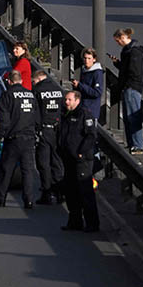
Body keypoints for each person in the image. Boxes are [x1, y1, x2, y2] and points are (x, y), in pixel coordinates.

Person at [0, 79, 40, 209]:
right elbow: (37, 117)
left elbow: (3, 119)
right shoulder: (30, 95)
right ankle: (29, 200)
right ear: (21, 81)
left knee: (6, 170)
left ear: (9, 81)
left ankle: (0, 197)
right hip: (29, 138)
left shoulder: (7, 95)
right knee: (28, 171)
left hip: (13, 138)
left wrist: (0, 136)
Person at [58, 89, 99, 231]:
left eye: (69, 100)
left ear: (77, 100)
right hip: (68, 158)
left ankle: (92, 224)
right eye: (66, 99)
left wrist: (81, 152)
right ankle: (75, 221)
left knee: (85, 191)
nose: (66, 102)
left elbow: (90, 136)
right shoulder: (65, 114)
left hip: (82, 161)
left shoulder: (84, 114)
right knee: (71, 191)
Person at [109, 28, 143, 155]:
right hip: (129, 87)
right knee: (128, 117)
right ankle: (133, 144)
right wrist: (118, 63)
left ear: (123, 37)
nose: (118, 44)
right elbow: (126, 68)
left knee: (133, 117)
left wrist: (127, 84)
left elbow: (134, 71)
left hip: (131, 87)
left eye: (118, 41)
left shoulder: (134, 52)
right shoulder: (128, 51)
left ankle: (137, 145)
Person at [32, 70, 65, 205]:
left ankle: (47, 193)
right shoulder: (58, 89)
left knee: (43, 162)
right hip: (57, 129)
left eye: (33, 81)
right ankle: (60, 192)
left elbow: (35, 113)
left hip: (44, 130)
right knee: (57, 162)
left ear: (38, 79)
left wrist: (36, 130)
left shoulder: (38, 90)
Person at [73, 48, 105, 121]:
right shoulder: (84, 70)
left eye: (89, 58)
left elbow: (97, 93)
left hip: (91, 111)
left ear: (94, 59)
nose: (86, 61)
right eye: (85, 58)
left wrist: (80, 85)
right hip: (82, 108)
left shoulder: (97, 72)